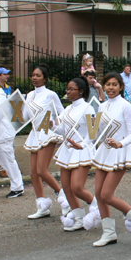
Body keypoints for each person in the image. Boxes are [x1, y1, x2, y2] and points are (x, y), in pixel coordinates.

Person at [92, 72, 131, 246]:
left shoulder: (125, 105)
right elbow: (98, 134)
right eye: (108, 84)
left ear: (121, 87)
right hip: (104, 152)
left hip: (119, 152)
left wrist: (120, 143)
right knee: (98, 194)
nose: (110, 87)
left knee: (106, 194)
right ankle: (109, 233)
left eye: (114, 84)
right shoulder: (102, 106)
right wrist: (92, 131)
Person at [53, 76, 99, 231]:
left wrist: (83, 145)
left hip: (82, 150)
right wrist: (50, 123)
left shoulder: (88, 108)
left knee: (77, 187)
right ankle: (78, 219)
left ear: (81, 91)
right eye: (67, 89)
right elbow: (61, 130)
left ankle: (97, 206)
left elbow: (93, 133)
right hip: (67, 150)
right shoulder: (68, 108)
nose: (68, 92)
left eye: (71, 89)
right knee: (66, 187)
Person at [23, 64, 66, 220]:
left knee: (42, 170)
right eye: (33, 75)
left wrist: (54, 123)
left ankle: (63, 197)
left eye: (38, 75)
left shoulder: (51, 94)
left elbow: (62, 112)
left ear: (45, 78)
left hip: (47, 133)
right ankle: (42, 207)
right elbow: (24, 117)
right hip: (35, 133)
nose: (35, 78)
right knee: (33, 173)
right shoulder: (28, 95)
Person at [0, 67, 12, 178]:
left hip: (7, 117)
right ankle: (0, 168)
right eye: (4, 74)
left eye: (7, 74)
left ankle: (6, 167)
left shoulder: (8, 88)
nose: (7, 76)